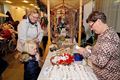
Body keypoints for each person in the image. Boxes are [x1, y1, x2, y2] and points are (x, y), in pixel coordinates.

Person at [76, 11, 120, 80]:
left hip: (107, 77)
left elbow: (100, 62)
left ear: (99, 21)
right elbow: (102, 50)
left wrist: (85, 52)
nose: (91, 29)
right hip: (97, 73)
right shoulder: (102, 34)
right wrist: (91, 48)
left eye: (91, 25)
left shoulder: (109, 37)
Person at [17, 8, 43, 80]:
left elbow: (41, 32)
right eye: (33, 17)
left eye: (37, 17)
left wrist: (38, 40)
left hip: (33, 47)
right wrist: (33, 44)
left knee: (35, 65)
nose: (35, 19)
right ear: (29, 15)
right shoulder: (23, 23)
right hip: (26, 48)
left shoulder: (37, 23)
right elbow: (22, 40)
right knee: (29, 67)